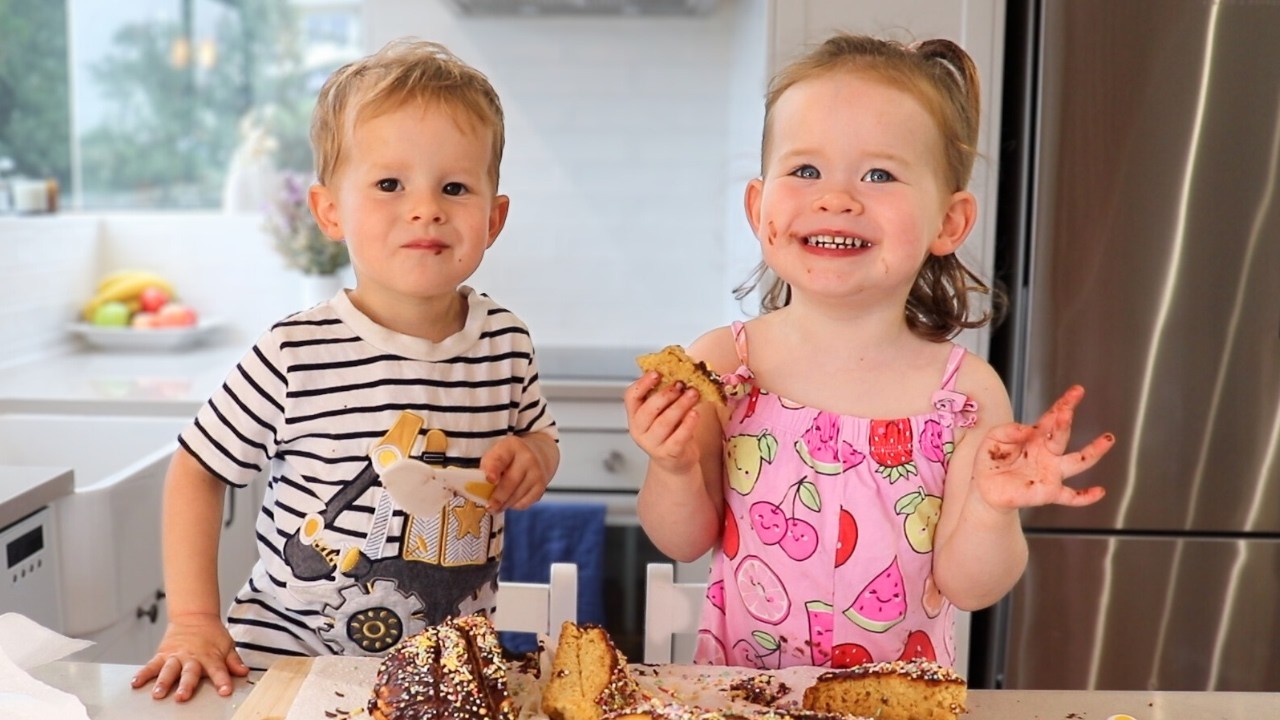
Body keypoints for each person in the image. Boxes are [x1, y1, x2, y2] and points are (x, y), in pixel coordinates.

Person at [624, 33, 1115, 670]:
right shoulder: (724, 365)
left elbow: (972, 587)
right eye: (805, 171)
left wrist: (991, 510)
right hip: (744, 700)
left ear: (949, 222)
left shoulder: (965, 395)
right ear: (758, 206)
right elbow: (683, 541)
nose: (836, 198)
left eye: (879, 175)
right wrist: (671, 467)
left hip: (898, 705)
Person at [132, 38, 560, 701]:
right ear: (330, 211)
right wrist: (192, 620)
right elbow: (197, 469)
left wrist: (533, 458)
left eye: (454, 187)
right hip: (283, 668)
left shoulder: (505, 341)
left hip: (439, 678)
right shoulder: (295, 351)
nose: (426, 207)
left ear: (493, 219)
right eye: (390, 185)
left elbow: (540, 439)